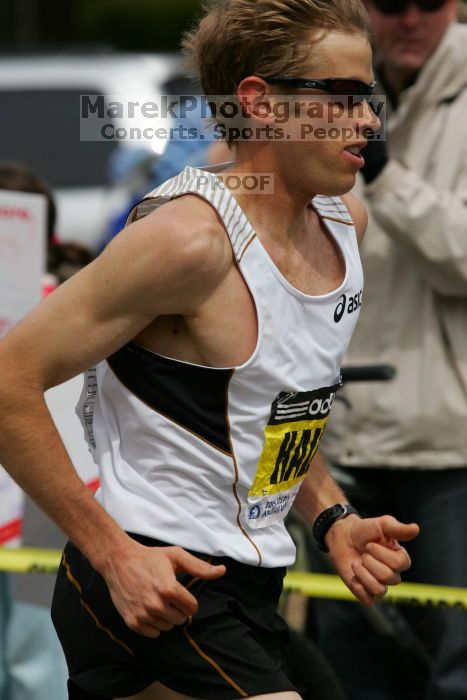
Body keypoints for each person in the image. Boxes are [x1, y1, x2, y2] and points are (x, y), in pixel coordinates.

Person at [0, 2, 419, 699]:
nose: (368, 121)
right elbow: (10, 378)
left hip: (243, 587)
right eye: (341, 97)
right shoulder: (187, 240)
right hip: (156, 577)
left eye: (368, 97)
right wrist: (113, 555)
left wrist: (331, 517)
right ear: (259, 103)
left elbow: (279, 408)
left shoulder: (347, 222)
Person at [313, 1, 467, 699]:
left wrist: (382, 172)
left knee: (455, 669)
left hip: (448, 448)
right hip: (339, 435)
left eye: (424, 1)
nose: (406, 18)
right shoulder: (335, 86)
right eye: (387, 2)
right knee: (350, 670)